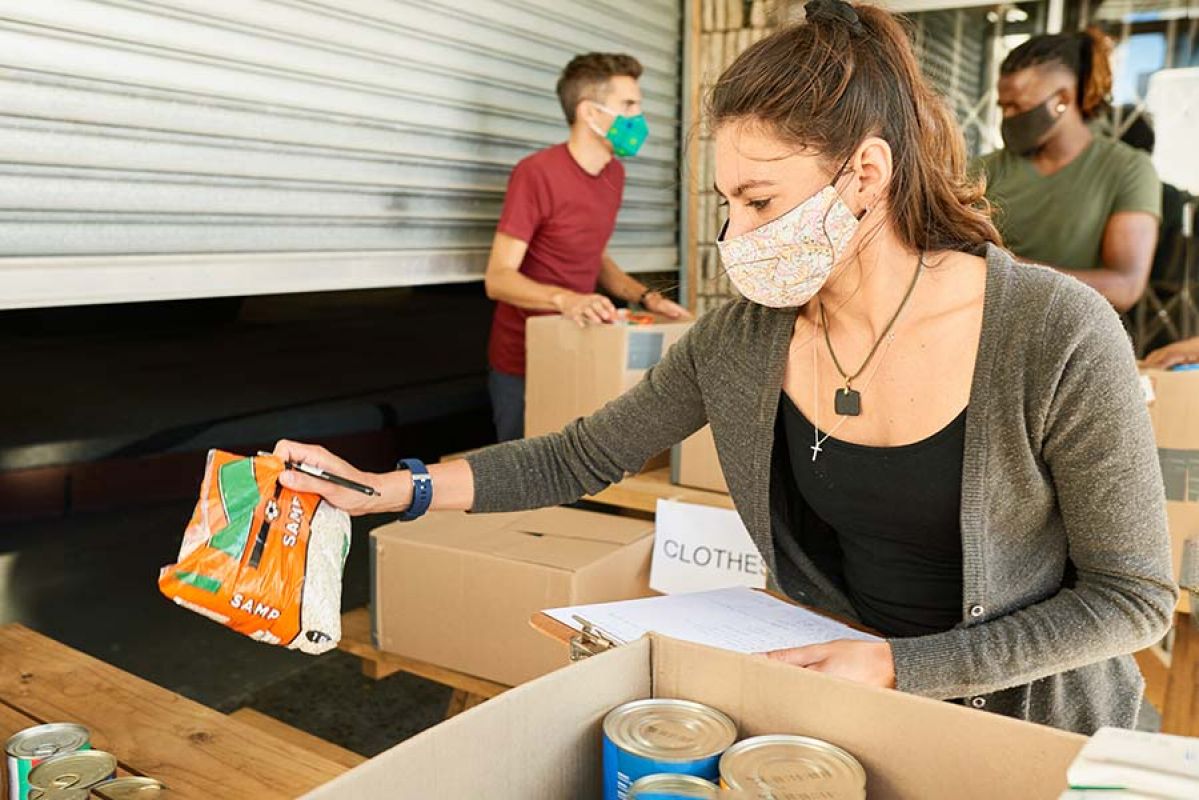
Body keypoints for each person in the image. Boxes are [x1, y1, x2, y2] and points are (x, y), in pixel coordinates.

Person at [274, 0, 1174, 735]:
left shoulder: (1054, 334)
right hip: (832, 706)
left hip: (1030, 731)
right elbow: (580, 456)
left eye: (760, 200)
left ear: (865, 175)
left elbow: (1132, 600)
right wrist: (397, 488)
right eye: (724, 201)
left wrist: (902, 664)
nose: (733, 235)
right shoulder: (745, 338)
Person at [483, 52, 691, 442]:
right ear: (590, 113)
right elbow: (498, 278)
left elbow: (593, 255)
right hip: (524, 363)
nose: (639, 117)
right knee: (524, 487)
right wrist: (567, 299)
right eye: (628, 105)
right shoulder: (536, 174)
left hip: (579, 352)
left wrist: (647, 298)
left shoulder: (613, 173)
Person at [978, 29, 1161, 312]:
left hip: (1076, 336)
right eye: (1004, 107)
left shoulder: (1127, 170)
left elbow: (1125, 286)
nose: (1008, 117)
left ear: (1062, 99)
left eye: (1018, 106)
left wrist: (1004, 269)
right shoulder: (983, 170)